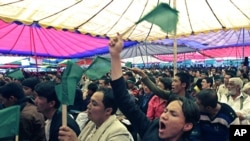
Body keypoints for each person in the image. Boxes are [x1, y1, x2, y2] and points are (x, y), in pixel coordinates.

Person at [108, 33, 200, 141]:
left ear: (187, 126)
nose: (163, 116)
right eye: (165, 111)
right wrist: (115, 56)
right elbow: (124, 101)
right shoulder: (151, 129)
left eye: (173, 114)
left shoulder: (192, 104)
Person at [58, 87, 133, 141]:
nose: (88, 106)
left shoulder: (118, 133)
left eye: (94, 104)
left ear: (108, 111)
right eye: (90, 102)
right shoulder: (92, 123)